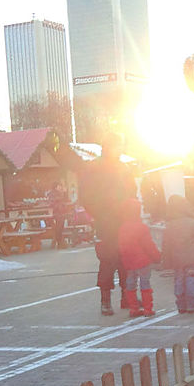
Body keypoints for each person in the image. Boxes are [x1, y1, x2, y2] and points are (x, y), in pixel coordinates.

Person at [79, 133, 138, 315]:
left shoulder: (123, 167)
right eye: (117, 145)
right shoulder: (94, 167)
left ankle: (126, 297)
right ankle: (105, 301)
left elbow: (132, 191)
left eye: (120, 145)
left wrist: (130, 212)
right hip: (105, 222)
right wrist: (99, 214)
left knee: (126, 259)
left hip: (123, 220)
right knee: (107, 260)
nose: (119, 149)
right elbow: (86, 196)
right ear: (108, 147)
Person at [160, 194, 194, 314]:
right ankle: (192, 304)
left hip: (176, 260)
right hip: (191, 258)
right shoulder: (192, 223)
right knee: (191, 280)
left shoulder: (169, 225)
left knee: (179, 279)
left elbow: (166, 245)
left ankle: (181, 304)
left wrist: (165, 261)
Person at [117, 198, 161, 317]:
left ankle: (133, 309)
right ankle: (148, 309)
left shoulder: (122, 227)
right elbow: (149, 245)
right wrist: (157, 257)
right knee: (145, 283)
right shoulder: (141, 227)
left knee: (130, 284)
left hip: (128, 261)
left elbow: (121, 246)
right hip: (142, 260)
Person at [46, 181, 69, 248]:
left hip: (60, 211)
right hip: (57, 212)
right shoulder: (53, 193)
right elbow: (56, 200)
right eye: (60, 186)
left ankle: (60, 242)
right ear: (56, 186)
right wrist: (63, 193)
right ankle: (59, 242)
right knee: (59, 227)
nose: (61, 187)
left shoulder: (56, 193)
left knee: (60, 227)